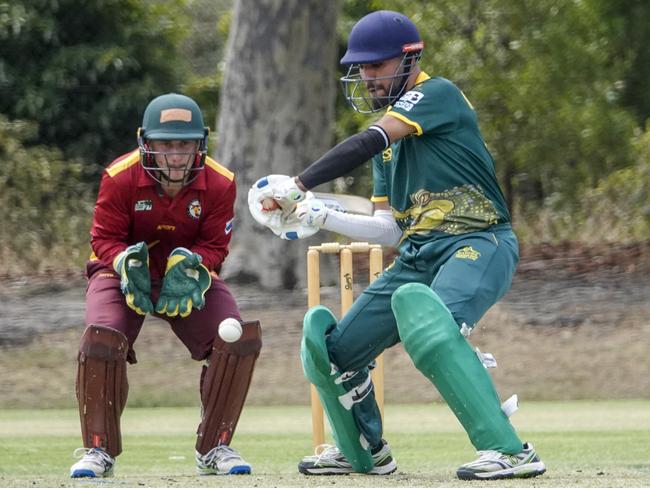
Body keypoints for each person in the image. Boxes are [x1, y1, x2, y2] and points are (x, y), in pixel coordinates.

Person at [249, 10, 545, 481]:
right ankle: (363, 450)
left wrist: (300, 183)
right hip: (418, 255)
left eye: (377, 65)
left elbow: (367, 141)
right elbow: (388, 228)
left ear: (409, 60)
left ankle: (510, 451)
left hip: (478, 241)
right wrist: (320, 215)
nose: (366, 77)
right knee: (333, 354)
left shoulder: (436, 95)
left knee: (432, 328)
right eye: (361, 68)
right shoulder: (389, 146)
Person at [70, 93, 262, 478]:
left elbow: (215, 246)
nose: (176, 155)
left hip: (186, 277)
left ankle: (215, 447)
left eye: (185, 145)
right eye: (166, 145)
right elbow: (103, 239)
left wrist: (194, 265)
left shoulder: (221, 183)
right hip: (122, 273)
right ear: (147, 144)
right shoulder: (119, 176)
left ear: (199, 145)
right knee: (101, 339)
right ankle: (98, 450)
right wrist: (125, 261)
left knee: (237, 339)